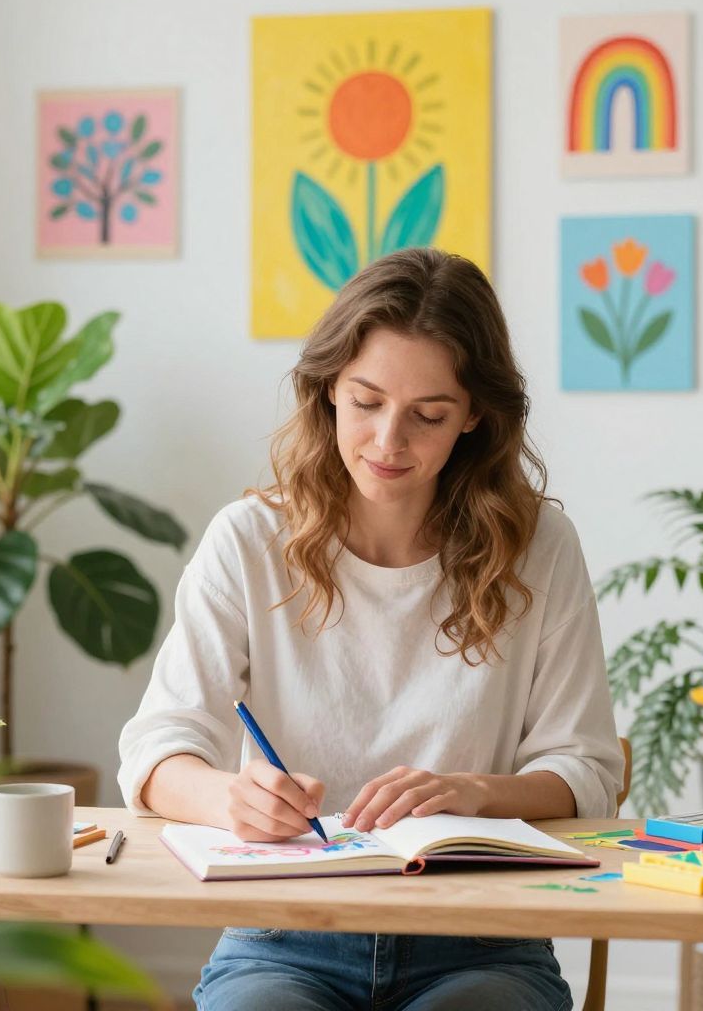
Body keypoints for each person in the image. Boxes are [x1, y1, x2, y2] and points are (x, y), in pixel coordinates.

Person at [117, 247, 623, 1010]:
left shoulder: (539, 550)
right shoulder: (249, 541)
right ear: (325, 390)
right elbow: (154, 753)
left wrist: (476, 794)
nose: (389, 441)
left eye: (429, 415)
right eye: (366, 401)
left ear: (475, 418)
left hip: (482, 940)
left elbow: (588, 772)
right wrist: (232, 799)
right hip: (283, 938)